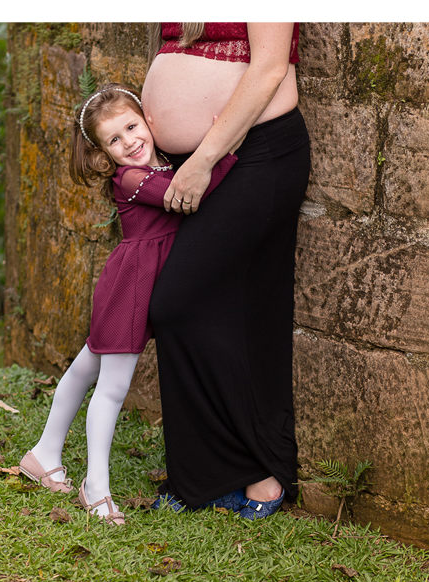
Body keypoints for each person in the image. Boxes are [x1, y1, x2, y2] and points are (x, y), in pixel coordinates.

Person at [19, 83, 238, 525]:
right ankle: (95, 486)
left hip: (137, 282)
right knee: (112, 387)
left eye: (132, 127)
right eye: (114, 140)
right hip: (131, 288)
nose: (129, 142)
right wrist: (225, 151)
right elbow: (185, 193)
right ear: (104, 154)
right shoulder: (134, 179)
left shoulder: (162, 163)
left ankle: (43, 454)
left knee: (85, 368)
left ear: (148, 121)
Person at [142, 23, 311, 519]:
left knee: (179, 304)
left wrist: (202, 159)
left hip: (255, 153)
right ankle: (204, 477)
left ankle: (263, 471)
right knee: (213, 311)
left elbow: (269, 68)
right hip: (195, 160)